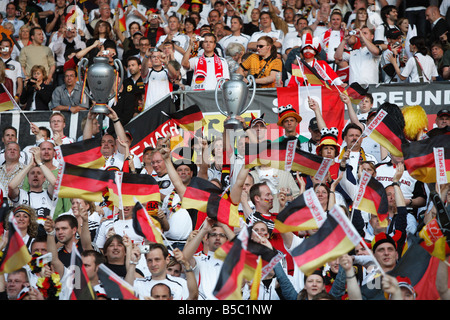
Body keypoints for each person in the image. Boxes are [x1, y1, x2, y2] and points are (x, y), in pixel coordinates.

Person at [182, 218, 235, 300]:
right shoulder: (198, 259)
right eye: (214, 235)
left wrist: (224, 225)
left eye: (222, 235)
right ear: (207, 239)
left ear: (226, 240)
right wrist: (204, 230)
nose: (217, 238)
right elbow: (184, 258)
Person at [126, 243, 192, 300]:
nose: (153, 264)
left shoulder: (182, 284)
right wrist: (133, 262)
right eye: (149, 260)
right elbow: (125, 293)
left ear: (167, 260)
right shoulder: (138, 284)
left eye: (157, 260)